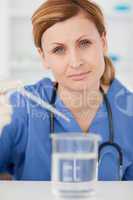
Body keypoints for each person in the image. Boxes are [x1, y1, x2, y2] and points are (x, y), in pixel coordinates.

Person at [0, 0, 133, 181]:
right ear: (44, 57)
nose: (75, 61)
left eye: (85, 43)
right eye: (59, 49)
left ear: (103, 43)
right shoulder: (20, 107)